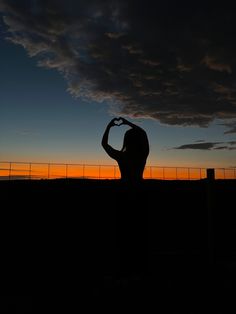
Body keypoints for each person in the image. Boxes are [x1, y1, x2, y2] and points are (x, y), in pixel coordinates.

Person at [102, 117, 149, 182]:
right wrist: (127, 123)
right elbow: (143, 132)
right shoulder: (142, 155)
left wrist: (109, 126)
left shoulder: (121, 156)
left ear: (126, 141)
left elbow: (104, 144)